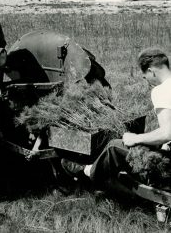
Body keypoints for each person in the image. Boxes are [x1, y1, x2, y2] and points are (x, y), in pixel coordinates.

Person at [61, 48, 171, 189]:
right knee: (150, 144)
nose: (146, 80)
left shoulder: (161, 90)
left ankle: (87, 172)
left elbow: (167, 133)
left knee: (114, 147)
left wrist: (136, 138)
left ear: (151, 71)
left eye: (145, 76)